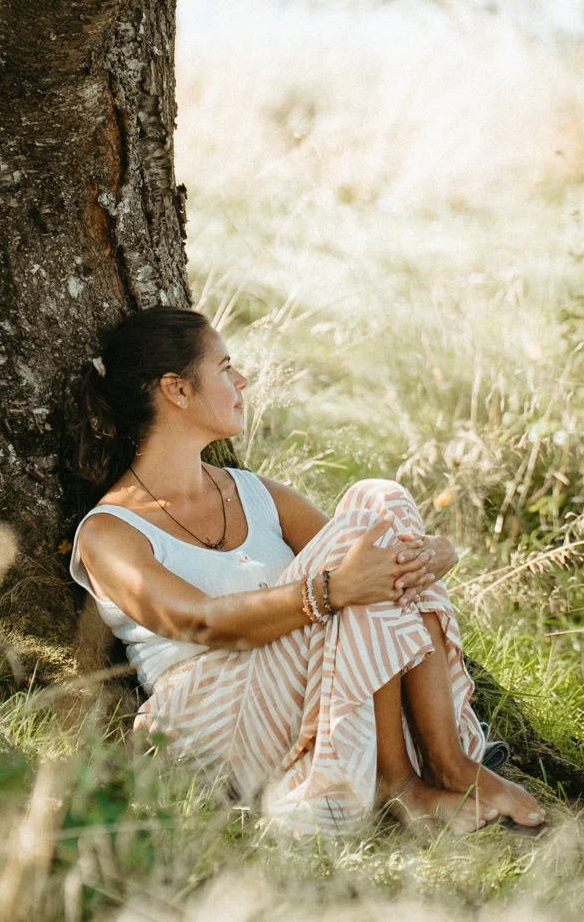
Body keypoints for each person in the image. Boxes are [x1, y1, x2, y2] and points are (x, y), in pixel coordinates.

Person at [68, 306, 546, 836]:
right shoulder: (109, 531)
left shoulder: (253, 491)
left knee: (379, 502)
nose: (242, 380)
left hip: (295, 694)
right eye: (225, 368)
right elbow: (199, 622)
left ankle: (444, 763)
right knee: (362, 534)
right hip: (206, 720)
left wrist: (437, 552)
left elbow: (370, 559)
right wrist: (329, 590)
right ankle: (402, 782)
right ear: (177, 391)